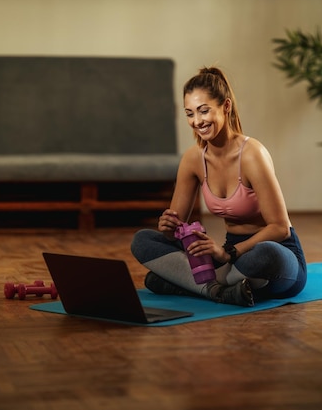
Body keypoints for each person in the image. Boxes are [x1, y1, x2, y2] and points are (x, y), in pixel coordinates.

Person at [130, 67, 306, 307]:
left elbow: (280, 228)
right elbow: (176, 232)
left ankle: (188, 284)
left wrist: (229, 254)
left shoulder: (253, 154)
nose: (197, 121)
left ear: (226, 106)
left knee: (267, 254)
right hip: (229, 261)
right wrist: (169, 228)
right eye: (189, 114)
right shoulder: (193, 159)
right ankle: (220, 290)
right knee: (142, 240)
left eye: (204, 111)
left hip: (271, 257)